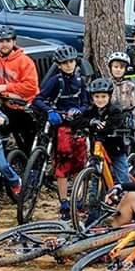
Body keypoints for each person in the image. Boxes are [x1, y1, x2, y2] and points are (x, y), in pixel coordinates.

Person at [32, 45, 90, 221]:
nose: (69, 65)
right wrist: (50, 111)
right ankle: (64, 202)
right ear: (58, 65)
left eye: (71, 62)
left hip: (77, 127)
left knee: (80, 162)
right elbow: (38, 99)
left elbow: (86, 103)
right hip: (61, 127)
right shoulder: (55, 81)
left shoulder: (80, 81)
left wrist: (79, 110)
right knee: (62, 165)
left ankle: (78, 199)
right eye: (64, 63)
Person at [0, 26, 40, 153]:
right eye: (1, 41)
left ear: (14, 42)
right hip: (5, 105)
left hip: (26, 107)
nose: (4, 44)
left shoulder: (25, 61)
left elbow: (31, 87)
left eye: (8, 41)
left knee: (29, 144)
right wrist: (7, 93)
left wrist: (5, 87)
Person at [78, 78, 130, 185]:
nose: (100, 100)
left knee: (122, 176)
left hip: (115, 148)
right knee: (94, 173)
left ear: (109, 97)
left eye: (103, 97)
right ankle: (93, 199)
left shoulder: (115, 110)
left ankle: (126, 195)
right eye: (97, 97)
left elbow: (113, 124)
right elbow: (79, 121)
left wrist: (104, 126)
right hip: (97, 148)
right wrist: (91, 122)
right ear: (92, 97)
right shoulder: (91, 111)